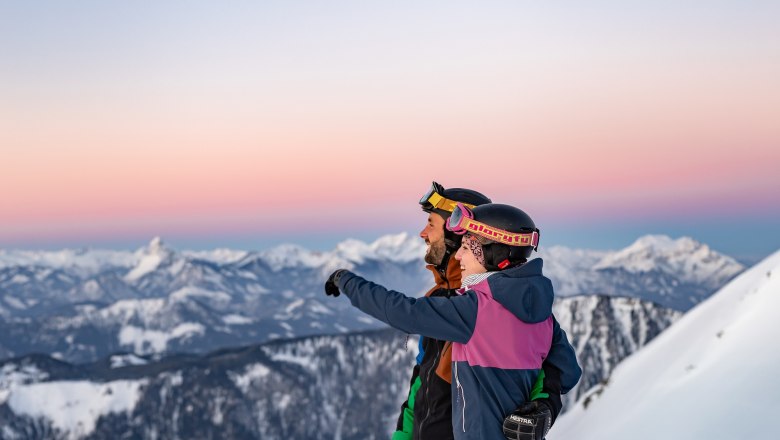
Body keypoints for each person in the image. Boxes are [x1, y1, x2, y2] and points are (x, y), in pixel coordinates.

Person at [325, 198, 581, 440]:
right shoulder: (544, 316)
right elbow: (567, 371)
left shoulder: (474, 310)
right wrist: (544, 407)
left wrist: (346, 281)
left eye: (467, 247)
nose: (459, 257)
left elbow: (401, 311)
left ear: (490, 254)